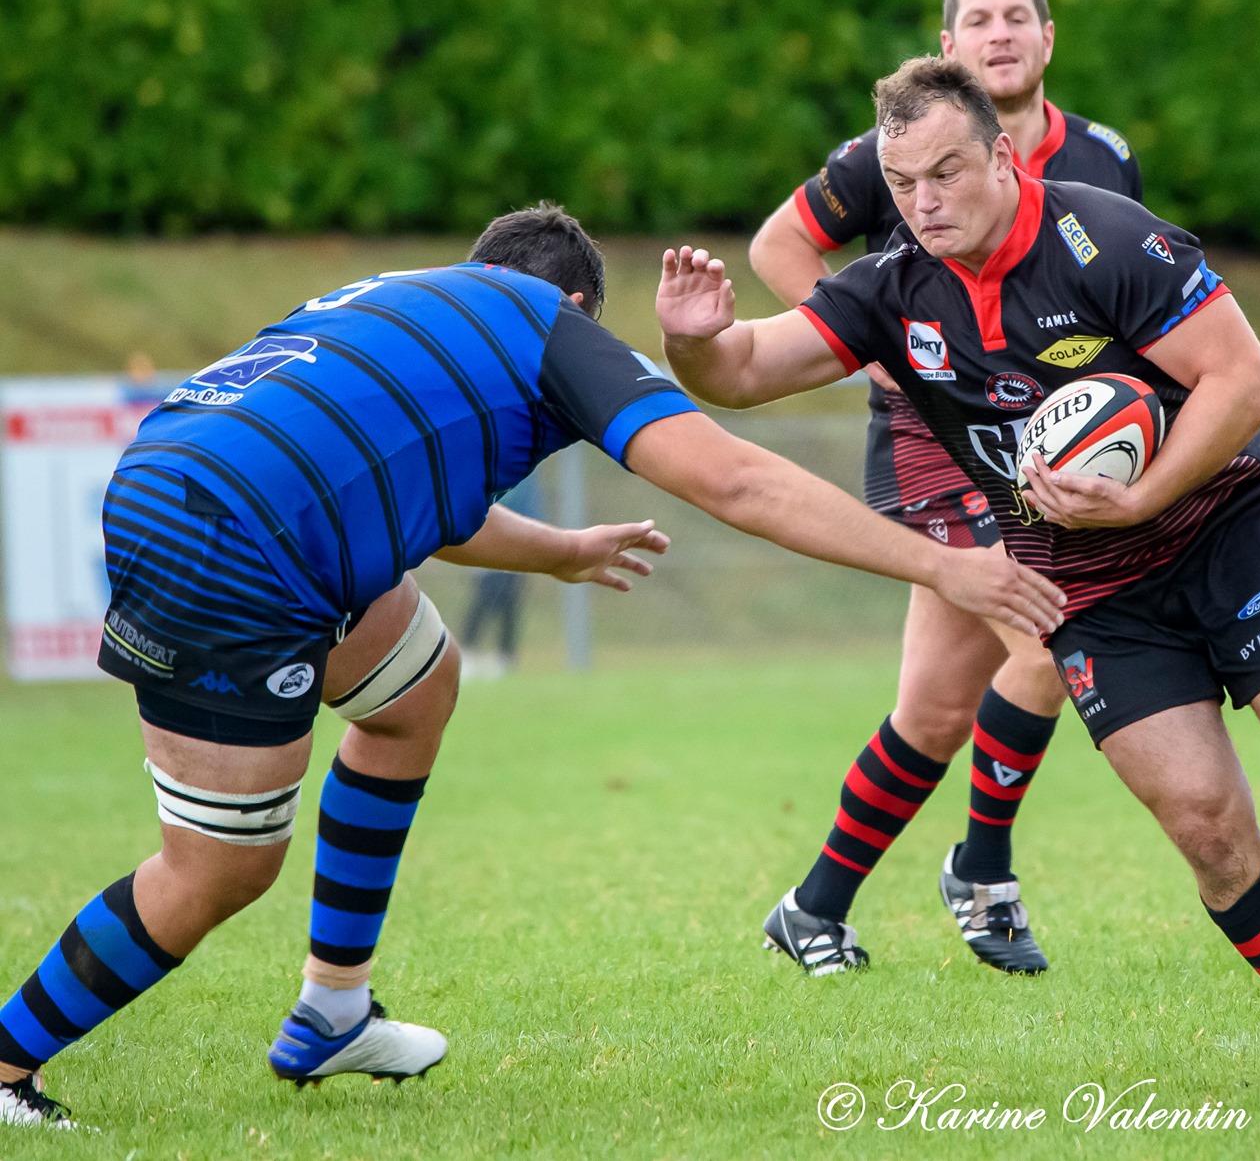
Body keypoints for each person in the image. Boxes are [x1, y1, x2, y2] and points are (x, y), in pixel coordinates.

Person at [0, 205, 1062, 1130]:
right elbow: (734, 483)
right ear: (577, 302)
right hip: (240, 541)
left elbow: (416, 492)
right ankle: (6, 1064)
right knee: (219, 868)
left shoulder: (402, 299)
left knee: (416, 689)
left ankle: (334, 1012)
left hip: (183, 479)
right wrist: (943, 566)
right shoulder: (552, 327)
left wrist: (556, 550)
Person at [662, 57, 1260, 1093]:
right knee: (1206, 828)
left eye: (946, 174)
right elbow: (739, 373)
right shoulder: (888, 289)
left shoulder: (1109, 240)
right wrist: (693, 345)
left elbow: (1243, 383)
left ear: (1000, 156)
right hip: (1090, 595)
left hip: (1221, 535)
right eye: (903, 182)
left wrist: (1143, 497)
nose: (923, 203)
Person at [748, 0, 1144, 976]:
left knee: (934, 706)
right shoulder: (886, 150)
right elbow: (779, 243)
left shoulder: (1102, 158)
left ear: (1048, 40)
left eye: (1018, 17)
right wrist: (870, 352)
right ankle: (981, 868)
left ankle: (814, 905)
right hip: (934, 441)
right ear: (948, 51)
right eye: (977, 20)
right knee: (1042, 623)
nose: (999, 32)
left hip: (1041, 440)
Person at [460, 473, 545, 679]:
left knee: (510, 602)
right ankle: (467, 652)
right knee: (484, 599)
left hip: (518, 547)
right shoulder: (486, 466)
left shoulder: (526, 477)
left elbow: (532, 509)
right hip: (485, 543)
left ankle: (505, 656)